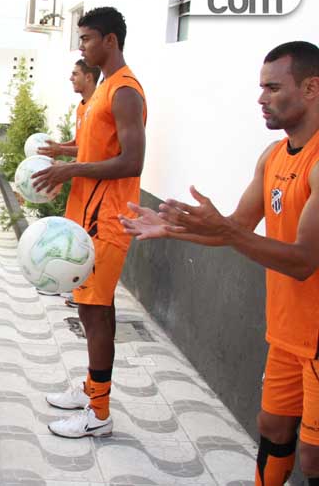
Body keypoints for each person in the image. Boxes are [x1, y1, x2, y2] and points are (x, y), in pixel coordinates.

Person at [119, 41, 319, 486]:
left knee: (314, 454)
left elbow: (304, 260)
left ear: (311, 88)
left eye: (272, 87)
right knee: (271, 426)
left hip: (318, 336)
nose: (261, 98)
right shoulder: (272, 156)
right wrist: (170, 228)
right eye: (260, 87)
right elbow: (237, 226)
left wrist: (225, 231)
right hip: (287, 331)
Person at [32, 7, 147, 438]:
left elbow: (132, 161)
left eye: (86, 39)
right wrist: (63, 156)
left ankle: (98, 414)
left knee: (95, 313)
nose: (81, 47)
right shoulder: (103, 90)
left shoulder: (125, 91)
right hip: (87, 216)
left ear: (110, 40)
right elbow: (93, 148)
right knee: (92, 309)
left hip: (108, 220)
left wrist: (72, 170)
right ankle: (91, 389)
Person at [36, 59, 101, 300]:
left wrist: (64, 156)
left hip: (96, 186)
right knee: (73, 235)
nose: (70, 78)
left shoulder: (100, 105)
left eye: (75, 74)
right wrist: (58, 148)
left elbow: (93, 151)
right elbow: (79, 144)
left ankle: (85, 292)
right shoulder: (83, 108)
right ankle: (70, 284)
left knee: (89, 241)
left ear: (89, 77)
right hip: (80, 183)